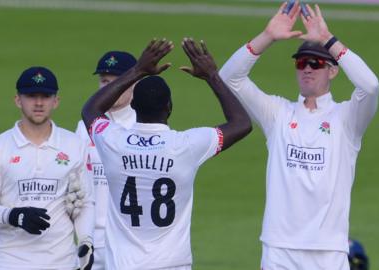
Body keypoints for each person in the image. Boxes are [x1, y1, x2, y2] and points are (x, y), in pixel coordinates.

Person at [219, 1, 379, 269]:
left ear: (332, 70)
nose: (307, 68)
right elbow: (229, 78)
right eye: (301, 63)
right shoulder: (278, 114)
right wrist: (267, 37)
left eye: (316, 63)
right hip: (279, 250)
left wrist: (329, 40)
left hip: (328, 251)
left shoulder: (347, 119)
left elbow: (371, 86)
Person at [82, 38, 252, 270]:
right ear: (169, 107)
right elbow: (242, 123)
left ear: (133, 107)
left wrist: (137, 70)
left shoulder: (113, 141)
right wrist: (212, 76)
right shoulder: (186, 145)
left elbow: (91, 109)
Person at [0, 66, 95, 270]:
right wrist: (14, 216)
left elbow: (85, 201)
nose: (39, 103)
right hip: (10, 262)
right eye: (31, 96)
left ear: (56, 101)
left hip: (62, 263)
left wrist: (86, 240)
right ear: (17, 100)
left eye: (46, 96)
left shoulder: (74, 145)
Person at [74, 50, 137, 270]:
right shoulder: (85, 127)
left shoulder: (143, 125)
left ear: (134, 84)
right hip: (91, 240)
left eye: (115, 82)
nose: (108, 88)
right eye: (104, 81)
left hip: (129, 243)